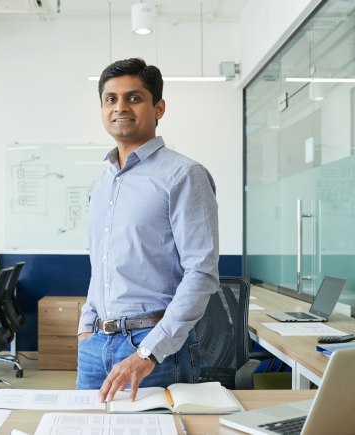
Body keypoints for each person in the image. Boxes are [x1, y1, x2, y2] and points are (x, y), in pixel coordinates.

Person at [76, 58, 219, 404]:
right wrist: (86, 326)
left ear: (159, 107)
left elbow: (201, 272)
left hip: (153, 349)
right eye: (111, 99)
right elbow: (102, 265)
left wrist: (148, 353)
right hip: (95, 346)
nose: (120, 107)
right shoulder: (104, 180)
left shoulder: (184, 174)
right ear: (101, 110)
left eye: (134, 98)